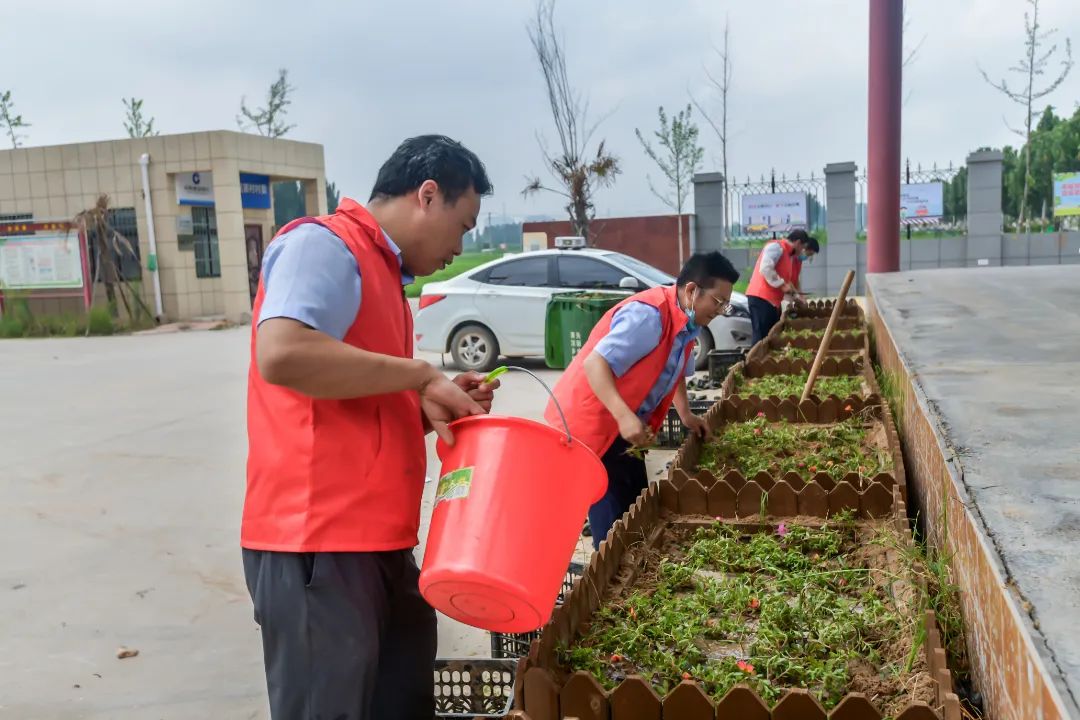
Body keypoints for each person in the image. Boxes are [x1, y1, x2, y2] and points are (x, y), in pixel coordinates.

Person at [242, 135, 499, 720]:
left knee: (401, 699)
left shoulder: (385, 277)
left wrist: (427, 406)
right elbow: (281, 353)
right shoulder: (324, 245)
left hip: (377, 540)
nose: (460, 248)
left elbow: (351, 398)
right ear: (427, 195)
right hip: (318, 542)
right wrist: (416, 374)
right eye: (463, 225)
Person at [545, 252, 741, 549]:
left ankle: (630, 563)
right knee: (611, 514)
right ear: (691, 290)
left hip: (625, 423)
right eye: (717, 301)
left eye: (725, 303)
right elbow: (594, 365)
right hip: (594, 422)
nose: (721, 309)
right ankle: (608, 584)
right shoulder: (648, 317)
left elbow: (674, 373)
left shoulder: (688, 326)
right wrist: (624, 416)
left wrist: (686, 415)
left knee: (635, 503)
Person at [745, 229, 819, 345]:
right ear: (798, 243)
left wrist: (797, 297)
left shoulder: (788, 256)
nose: (802, 251)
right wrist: (781, 284)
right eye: (803, 247)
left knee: (771, 335)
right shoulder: (776, 247)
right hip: (761, 298)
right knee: (761, 338)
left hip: (772, 301)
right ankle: (753, 362)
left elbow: (788, 282)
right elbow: (766, 268)